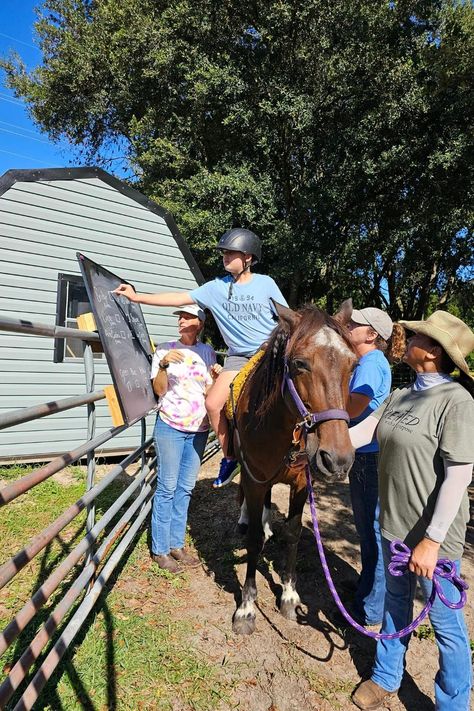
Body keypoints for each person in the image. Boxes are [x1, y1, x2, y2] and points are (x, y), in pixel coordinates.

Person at [350, 311, 474, 711]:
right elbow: (363, 432)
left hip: (434, 540)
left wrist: (432, 541)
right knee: (395, 603)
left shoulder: (455, 401)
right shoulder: (402, 395)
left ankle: (453, 703)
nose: (409, 338)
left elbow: (459, 474)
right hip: (394, 526)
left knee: (445, 624)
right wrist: (311, 440)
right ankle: (387, 676)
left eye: (419, 336)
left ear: (433, 352)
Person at [114, 228, 288, 488]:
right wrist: (136, 296)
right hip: (239, 357)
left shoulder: (266, 284)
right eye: (224, 253)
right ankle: (230, 457)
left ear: (248, 257)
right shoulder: (215, 289)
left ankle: (303, 451)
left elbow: (287, 317)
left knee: (297, 394)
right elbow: (177, 298)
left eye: (231, 253)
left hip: (269, 353)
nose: (225, 257)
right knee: (214, 404)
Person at [345, 308, 405, 626]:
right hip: (369, 455)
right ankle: (367, 590)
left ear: (372, 335)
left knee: (372, 532)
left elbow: (357, 403)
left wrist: (327, 411)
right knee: (368, 532)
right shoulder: (369, 362)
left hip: (369, 456)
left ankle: (369, 609)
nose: (349, 325)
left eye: (355, 324)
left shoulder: (369, 362)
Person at [150, 304, 220, 572]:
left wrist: (215, 376)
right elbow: (158, 390)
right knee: (167, 487)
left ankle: (177, 545)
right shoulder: (165, 350)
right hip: (170, 425)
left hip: (199, 430)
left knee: (185, 487)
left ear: (199, 323)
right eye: (179, 316)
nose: (181, 320)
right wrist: (164, 366)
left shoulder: (207, 352)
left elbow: (210, 392)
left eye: (187, 316)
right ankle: (160, 549)